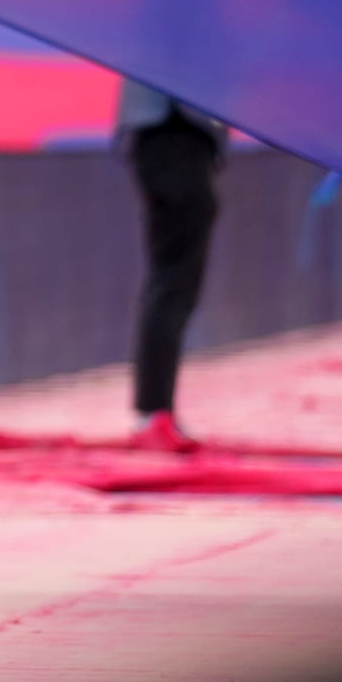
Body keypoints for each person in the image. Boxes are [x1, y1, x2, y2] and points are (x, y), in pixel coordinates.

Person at [120, 77, 226, 448]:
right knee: (173, 285)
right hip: (178, 139)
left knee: (169, 283)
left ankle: (154, 409)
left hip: (165, 140)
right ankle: (154, 411)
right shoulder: (184, 27)